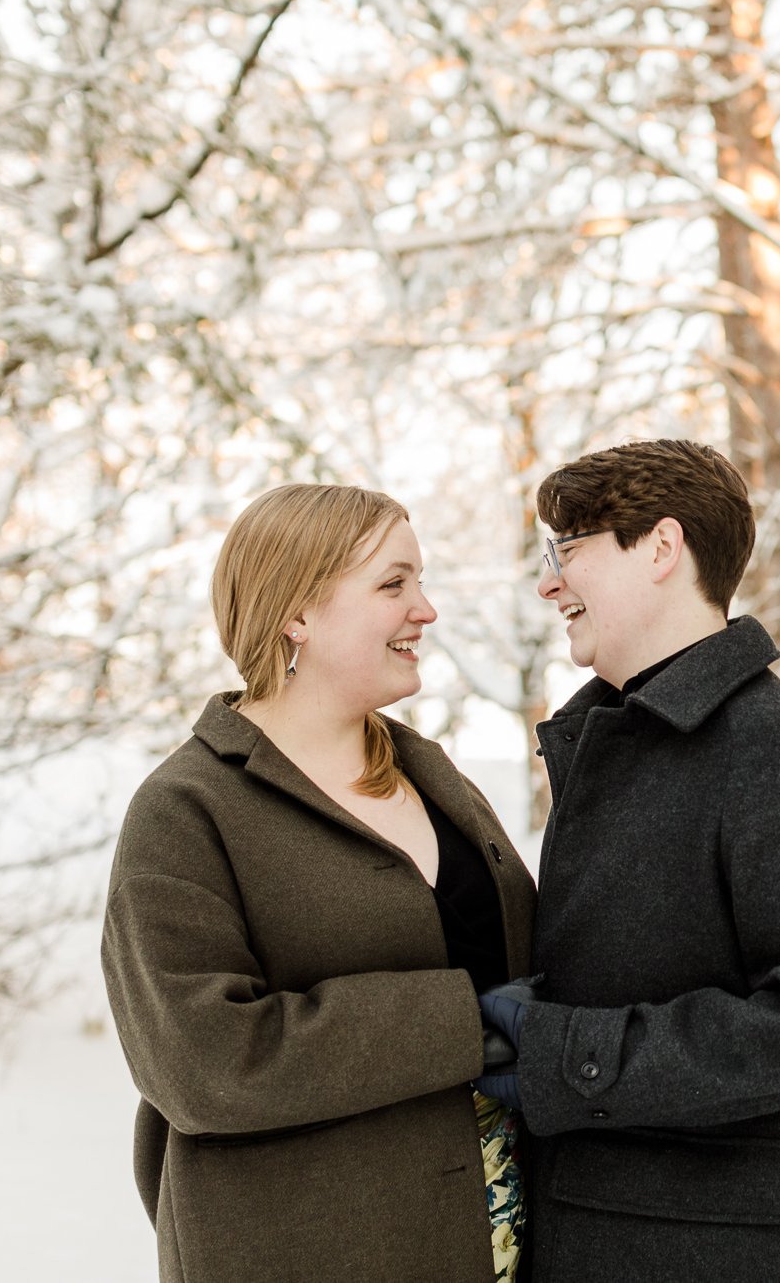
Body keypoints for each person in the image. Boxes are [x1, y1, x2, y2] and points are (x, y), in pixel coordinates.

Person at [475, 439, 780, 1283]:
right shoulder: (630, 742)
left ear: (663, 548)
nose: (547, 583)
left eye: (567, 552)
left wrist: (574, 1053)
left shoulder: (770, 753)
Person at [101, 483, 537, 1283]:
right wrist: (463, 1022)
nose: (426, 609)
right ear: (297, 611)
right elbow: (202, 1063)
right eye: (393, 583)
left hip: (495, 1243)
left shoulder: (437, 780)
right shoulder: (186, 811)